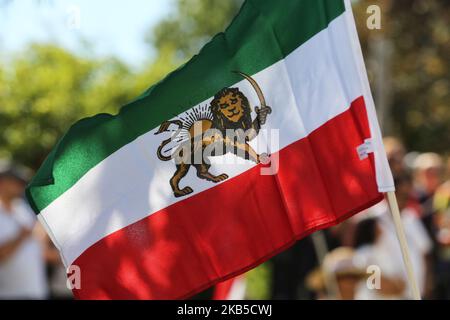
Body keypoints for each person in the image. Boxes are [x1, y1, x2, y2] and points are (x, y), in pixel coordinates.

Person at [352, 171, 433, 299]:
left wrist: (427, 283)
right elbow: (364, 263)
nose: (404, 198)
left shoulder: (411, 218)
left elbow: (425, 251)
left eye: (407, 195)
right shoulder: (371, 218)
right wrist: (382, 285)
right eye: (401, 194)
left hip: (411, 295)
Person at [0, 161, 49, 299]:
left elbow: (38, 243)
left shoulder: (22, 209)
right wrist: (21, 236)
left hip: (36, 292)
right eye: (16, 181)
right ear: (2, 183)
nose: (20, 186)